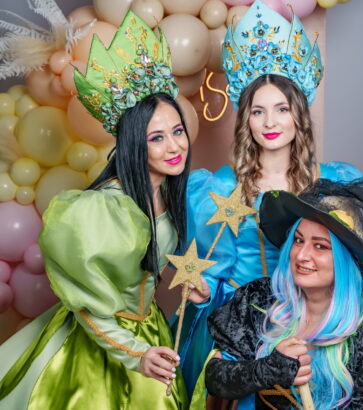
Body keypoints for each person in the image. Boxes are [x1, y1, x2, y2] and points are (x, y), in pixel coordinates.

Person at [0, 11, 189, 409]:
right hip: (103, 342)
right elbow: (91, 307)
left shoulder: (168, 194)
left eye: (177, 131)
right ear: (134, 142)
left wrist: (189, 282)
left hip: (150, 333)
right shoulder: (102, 209)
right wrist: (135, 353)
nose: (175, 147)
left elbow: (144, 267)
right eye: (157, 137)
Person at [177, 0, 363, 394]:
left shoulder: (334, 181)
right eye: (258, 111)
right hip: (245, 323)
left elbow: (351, 261)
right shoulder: (219, 188)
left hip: (315, 324)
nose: (270, 122)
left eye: (281, 109)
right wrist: (203, 289)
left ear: (299, 114)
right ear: (245, 118)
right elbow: (211, 268)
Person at [202, 179, 363, 409]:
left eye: (320, 246)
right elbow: (215, 380)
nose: (301, 255)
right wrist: (266, 370)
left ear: (347, 261)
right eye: (298, 240)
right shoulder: (259, 302)